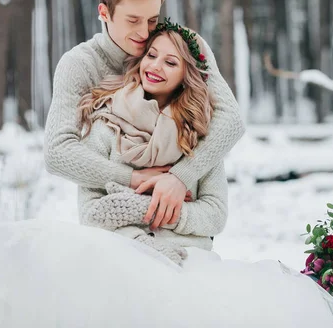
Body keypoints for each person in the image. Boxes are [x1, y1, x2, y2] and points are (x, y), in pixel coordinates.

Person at [44, 0, 244, 222]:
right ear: (104, 13)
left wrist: (179, 177)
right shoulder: (79, 64)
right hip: (114, 218)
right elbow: (57, 152)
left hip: (186, 214)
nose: (144, 33)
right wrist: (132, 178)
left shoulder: (182, 45)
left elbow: (231, 119)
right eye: (133, 20)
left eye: (152, 19)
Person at [76, 19, 228, 265]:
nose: (155, 66)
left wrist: (153, 210)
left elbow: (215, 214)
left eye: (170, 62)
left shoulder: (200, 132)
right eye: (151, 55)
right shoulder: (105, 121)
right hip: (122, 256)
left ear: (186, 75)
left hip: (191, 260)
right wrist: (141, 238)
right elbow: (91, 213)